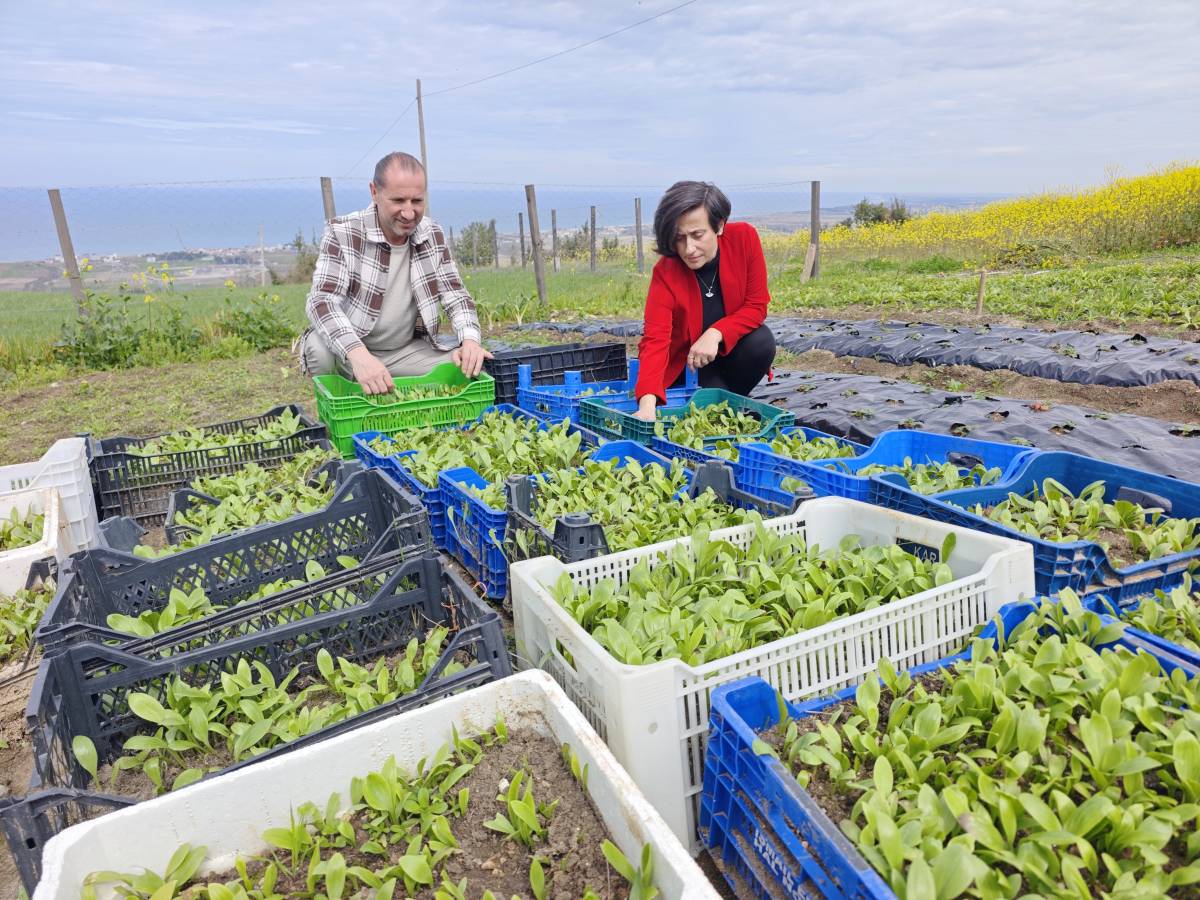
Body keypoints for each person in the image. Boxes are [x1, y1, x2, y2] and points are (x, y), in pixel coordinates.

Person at [298, 151, 492, 393]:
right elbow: (321, 302)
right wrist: (359, 355)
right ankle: (342, 402)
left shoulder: (432, 234)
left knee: (467, 366)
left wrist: (470, 340)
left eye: (417, 201)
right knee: (318, 350)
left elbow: (456, 295)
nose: (409, 213)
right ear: (374, 192)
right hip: (351, 351)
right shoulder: (343, 233)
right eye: (398, 201)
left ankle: (383, 386)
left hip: (405, 352)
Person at [632, 181, 776, 421]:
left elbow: (756, 306)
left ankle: (732, 401)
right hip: (689, 367)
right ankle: (727, 407)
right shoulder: (666, 272)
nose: (689, 249)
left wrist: (716, 333)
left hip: (730, 355)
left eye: (697, 235)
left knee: (761, 341)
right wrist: (646, 405)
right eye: (679, 238)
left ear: (719, 225)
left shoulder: (744, 239)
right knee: (715, 412)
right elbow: (655, 340)